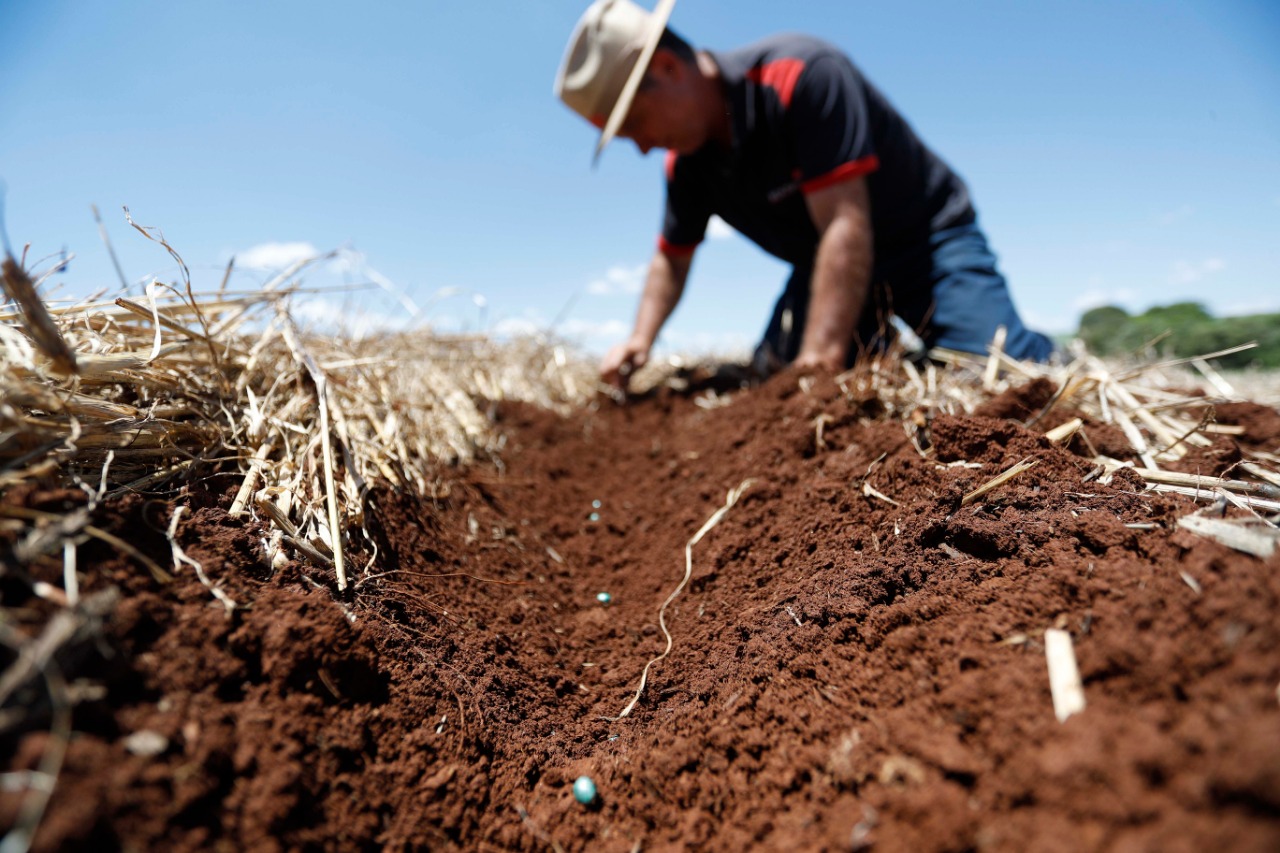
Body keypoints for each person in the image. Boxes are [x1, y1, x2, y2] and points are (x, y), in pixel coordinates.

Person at [554, 0, 1055, 390]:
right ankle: (885, 355)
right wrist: (640, 339)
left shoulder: (800, 75)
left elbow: (845, 221)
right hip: (826, 267)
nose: (641, 147)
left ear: (667, 68)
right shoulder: (686, 165)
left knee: (1001, 371)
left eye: (636, 124)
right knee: (770, 383)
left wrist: (820, 359)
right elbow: (673, 258)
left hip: (924, 243)